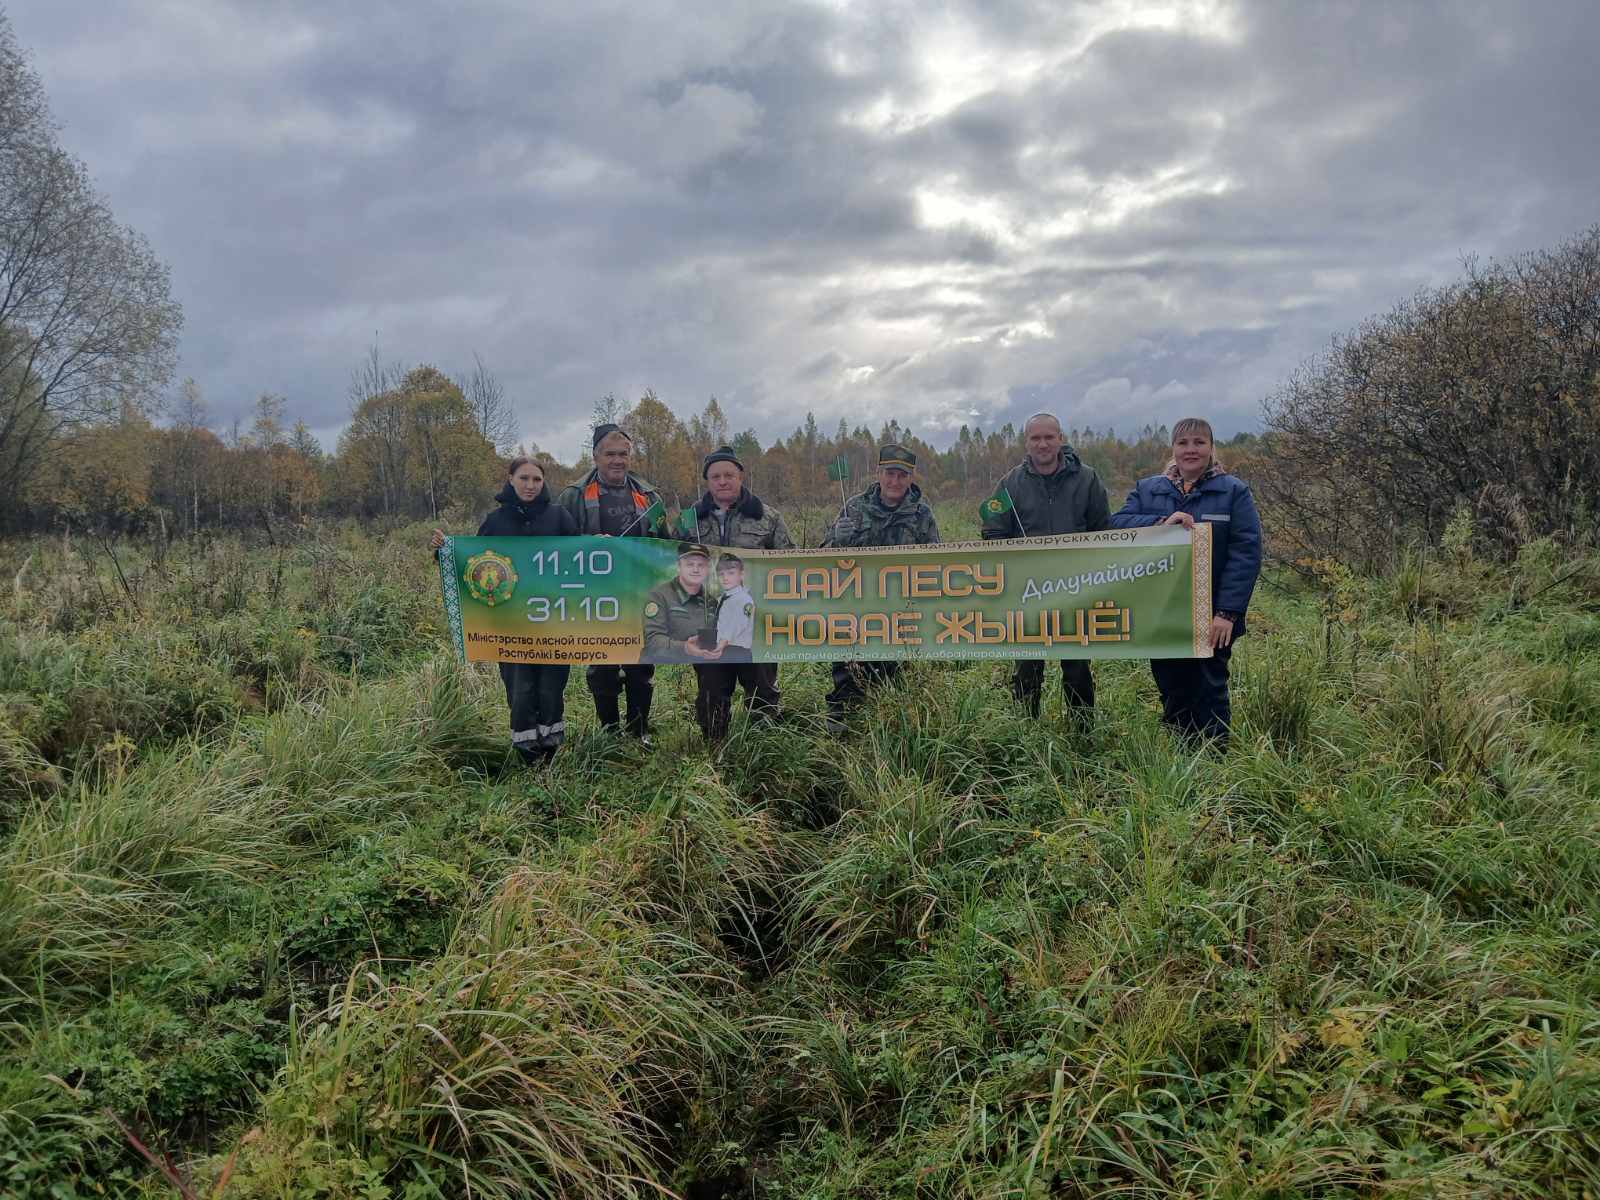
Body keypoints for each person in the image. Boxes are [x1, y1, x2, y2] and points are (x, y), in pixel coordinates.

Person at [1109, 416, 1262, 748]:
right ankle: (1181, 754)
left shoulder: (1233, 491)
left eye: (1199, 442)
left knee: (1209, 685)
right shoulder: (1149, 489)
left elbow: (1245, 553)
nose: (1190, 450)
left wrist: (1227, 613)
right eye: (1183, 443)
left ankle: (1214, 759)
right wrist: (1162, 522)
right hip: (1162, 612)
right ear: (1173, 449)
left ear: (1211, 447)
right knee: (1170, 683)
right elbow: (1117, 524)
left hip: (1213, 615)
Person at [429, 456, 577, 765]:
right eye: (524, 478)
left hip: (554, 625)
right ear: (510, 479)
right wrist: (445, 550)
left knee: (551, 692)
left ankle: (550, 755)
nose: (530, 485)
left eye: (537, 479)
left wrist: (602, 548)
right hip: (511, 627)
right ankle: (528, 756)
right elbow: (473, 564)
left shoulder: (560, 517)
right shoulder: (495, 521)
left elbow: (581, 559)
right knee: (521, 692)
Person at [981, 412, 1111, 721]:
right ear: (1026, 442)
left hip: (1076, 590)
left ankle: (1083, 730)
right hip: (1028, 591)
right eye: (1035, 438)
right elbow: (993, 529)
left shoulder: (1088, 479)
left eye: (1049, 437)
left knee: (1078, 667)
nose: (1043, 444)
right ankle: (1025, 730)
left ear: (1061, 439)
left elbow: (1103, 531)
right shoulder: (1010, 482)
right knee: (1027, 667)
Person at [556, 422, 669, 741]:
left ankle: (639, 731)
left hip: (640, 594)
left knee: (641, 665)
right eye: (610, 454)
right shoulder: (574, 495)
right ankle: (609, 731)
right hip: (595, 596)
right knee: (602, 666)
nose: (617, 460)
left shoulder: (649, 496)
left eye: (624, 454)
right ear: (595, 456)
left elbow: (666, 543)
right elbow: (553, 544)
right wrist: (589, 544)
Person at [821, 443, 940, 727]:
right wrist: (837, 538)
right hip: (855, 611)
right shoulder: (853, 507)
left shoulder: (922, 514)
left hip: (902, 614)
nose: (894, 481)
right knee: (847, 678)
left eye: (902, 475)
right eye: (889, 473)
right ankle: (840, 739)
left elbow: (939, 562)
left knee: (897, 681)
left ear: (911, 477)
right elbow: (823, 556)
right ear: (878, 473)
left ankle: (894, 735)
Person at [680, 445, 794, 737]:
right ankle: (715, 748)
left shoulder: (767, 517)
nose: (722, 481)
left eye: (729, 474)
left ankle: (763, 747)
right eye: (715, 476)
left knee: (762, 689)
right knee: (712, 690)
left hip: (754, 621)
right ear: (707, 480)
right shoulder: (690, 519)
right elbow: (669, 561)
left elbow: (791, 562)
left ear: (741, 477)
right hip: (708, 622)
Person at [642, 541, 722, 667]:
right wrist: (684, 648)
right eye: (690, 564)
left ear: (707, 569)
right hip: (663, 671)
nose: (696, 569)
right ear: (679, 566)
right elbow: (652, 642)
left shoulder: (712, 602)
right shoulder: (659, 596)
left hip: (704, 669)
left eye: (701, 565)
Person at [714, 554, 754, 663]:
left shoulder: (744, 599)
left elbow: (737, 624)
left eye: (731, 573)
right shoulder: (722, 598)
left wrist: (721, 644)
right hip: (722, 649)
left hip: (738, 650)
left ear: (741, 575)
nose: (725, 578)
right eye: (721, 574)